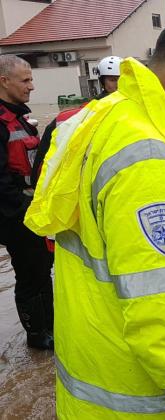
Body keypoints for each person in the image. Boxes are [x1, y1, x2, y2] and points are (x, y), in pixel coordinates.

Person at [25, 14, 165, 418]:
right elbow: (158, 322)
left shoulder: (102, 116)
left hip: (94, 376)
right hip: (138, 398)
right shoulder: (148, 160)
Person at [0, 55, 54, 350]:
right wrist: (23, 214)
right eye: (25, 80)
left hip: (32, 209)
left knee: (43, 267)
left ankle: (52, 324)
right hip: (16, 214)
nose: (32, 86)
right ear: (4, 81)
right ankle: (37, 336)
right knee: (30, 273)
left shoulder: (20, 117)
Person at [31, 55, 123, 187]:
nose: (118, 84)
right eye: (113, 80)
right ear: (103, 82)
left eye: (122, 79)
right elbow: (44, 159)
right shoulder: (83, 113)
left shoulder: (140, 110)